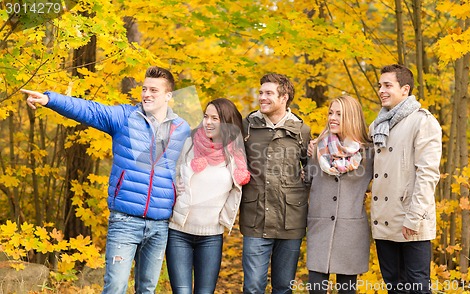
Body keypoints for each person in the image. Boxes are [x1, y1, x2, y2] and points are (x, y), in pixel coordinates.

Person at [22, 66, 191, 294]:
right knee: (115, 287)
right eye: (144, 89)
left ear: (169, 96)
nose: (147, 94)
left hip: (159, 224)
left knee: (148, 289)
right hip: (125, 221)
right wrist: (50, 99)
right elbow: (88, 110)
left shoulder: (182, 129)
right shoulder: (124, 117)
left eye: (154, 90)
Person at [369, 64, 442, 293]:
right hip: (384, 219)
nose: (381, 90)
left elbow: (428, 173)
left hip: (411, 220)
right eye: (380, 85)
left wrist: (414, 217)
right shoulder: (377, 124)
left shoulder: (423, 121)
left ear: (405, 89)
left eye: (388, 85)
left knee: (417, 287)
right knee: (394, 286)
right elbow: (355, 153)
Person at [166, 98, 250, 293]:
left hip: (211, 236)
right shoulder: (189, 143)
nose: (208, 122)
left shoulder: (235, 154)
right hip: (179, 232)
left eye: (215, 118)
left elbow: (237, 188)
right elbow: (172, 175)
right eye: (206, 117)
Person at [240, 73, 311, 293]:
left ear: (284, 97)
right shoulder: (247, 127)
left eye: (268, 93)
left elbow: (312, 171)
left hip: (290, 220)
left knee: (283, 287)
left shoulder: (302, 131)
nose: (262, 97)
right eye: (261, 92)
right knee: (253, 286)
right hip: (255, 218)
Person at [305, 95, 374, 294]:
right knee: (316, 289)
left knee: (346, 291)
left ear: (351, 117)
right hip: (320, 229)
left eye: (339, 114)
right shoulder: (317, 148)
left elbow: (378, 185)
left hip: (350, 232)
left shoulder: (369, 152)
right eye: (330, 113)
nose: (332, 118)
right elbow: (307, 181)